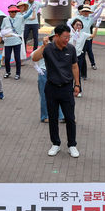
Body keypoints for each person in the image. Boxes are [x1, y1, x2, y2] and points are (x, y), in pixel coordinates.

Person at [32, 24, 80, 158]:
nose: (67, 40)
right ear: (57, 36)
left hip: (66, 88)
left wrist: (77, 84)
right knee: (53, 118)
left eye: (69, 37)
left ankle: (72, 145)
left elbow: (75, 66)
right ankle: (55, 144)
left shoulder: (71, 49)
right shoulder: (48, 48)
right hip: (51, 88)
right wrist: (43, 46)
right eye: (65, 37)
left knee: (70, 118)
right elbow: (35, 58)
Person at [68, 0, 105, 71]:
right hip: (78, 38)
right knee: (79, 54)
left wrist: (102, 8)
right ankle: (76, 70)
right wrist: (73, 31)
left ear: (89, 12)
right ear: (82, 12)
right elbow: (68, 23)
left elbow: (97, 16)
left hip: (87, 38)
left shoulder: (90, 19)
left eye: (87, 11)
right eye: (84, 11)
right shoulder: (77, 17)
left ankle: (92, 64)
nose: (86, 13)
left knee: (89, 51)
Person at [34, 36, 64, 123]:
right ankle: (45, 116)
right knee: (44, 96)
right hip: (44, 73)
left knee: (60, 95)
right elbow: (34, 57)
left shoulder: (63, 47)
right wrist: (43, 46)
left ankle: (61, 116)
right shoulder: (45, 47)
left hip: (57, 74)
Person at [0, 2, 34, 79]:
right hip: (8, 41)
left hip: (17, 41)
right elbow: (2, 28)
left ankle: (18, 73)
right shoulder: (5, 19)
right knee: (7, 58)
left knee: (17, 58)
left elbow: (27, 15)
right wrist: (4, 34)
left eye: (15, 11)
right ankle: (7, 72)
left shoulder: (20, 18)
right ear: (9, 12)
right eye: (12, 12)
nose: (13, 13)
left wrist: (32, 9)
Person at [69, 17, 100, 93]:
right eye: (77, 25)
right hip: (69, 57)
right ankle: (68, 90)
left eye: (80, 25)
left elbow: (93, 36)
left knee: (77, 74)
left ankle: (78, 90)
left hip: (78, 57)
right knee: (69, 75)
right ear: (73, 25)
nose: (79, 26)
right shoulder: (69, 33)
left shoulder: (83, 34)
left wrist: (97, 26)